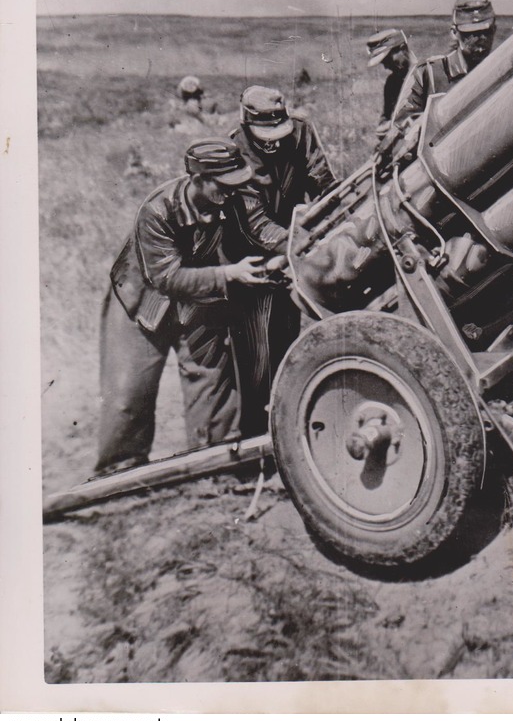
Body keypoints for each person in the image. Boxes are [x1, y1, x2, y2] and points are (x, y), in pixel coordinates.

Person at [95, 139, 267, 475]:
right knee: (128, 396)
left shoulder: (231, 199)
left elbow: (260, 229)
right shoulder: (156, 210)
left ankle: (212, 464)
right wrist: (231, 273)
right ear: (199, 179)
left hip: (199, 298)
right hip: (140, 303)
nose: (232, 192)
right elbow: (166, 278)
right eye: (224, 185)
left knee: (212, 382)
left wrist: (294, 236)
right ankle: (119, 474)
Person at [228, 86, 337, 435]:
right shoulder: (234, 150)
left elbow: (325, 187)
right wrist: (298, 245)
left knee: (287, 339)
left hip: (291, 247)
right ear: (246, 123)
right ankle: (256, 436)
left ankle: (289, 425)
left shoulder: (302, 133)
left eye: (279, 134)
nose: (273, 144)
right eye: (265, 137)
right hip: (248, 256)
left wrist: (328, 226)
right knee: (256, 352)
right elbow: (254, 223)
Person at [393, 0, 497, 125]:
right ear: (454, 33)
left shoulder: (503, 70)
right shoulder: (428, 73)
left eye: (486, 32)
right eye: (471, 33)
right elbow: (400, 128)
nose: (481, 39)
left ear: (495, 29)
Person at [365, 27, 414, 142]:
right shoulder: (391, 83)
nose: (386, 67)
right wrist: (384, 127)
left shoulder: (425, 74)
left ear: (402, 49)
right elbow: (385, 118)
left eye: (388, 60)